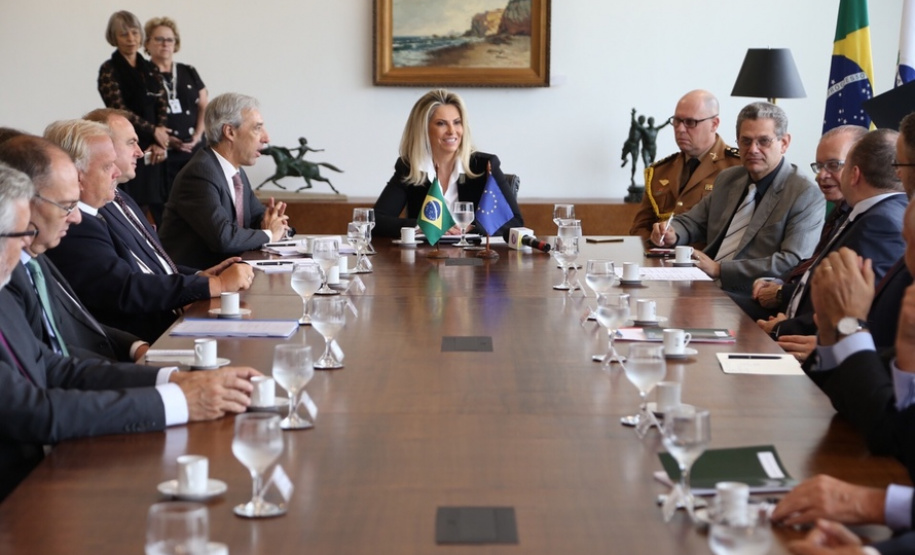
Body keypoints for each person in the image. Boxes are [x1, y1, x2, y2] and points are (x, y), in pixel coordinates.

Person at [0, 162, 259, 501]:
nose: (26, 252)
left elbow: (51, 366)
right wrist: (179, 401)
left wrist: (171, 381)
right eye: (22, 235)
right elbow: (32, 412)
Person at [43, 119, 253, 342]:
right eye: (107, 166)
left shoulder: (111, 204)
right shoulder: (75, 225)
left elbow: (149, 267)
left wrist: (200, 277)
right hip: (146, 339)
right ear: (76, 174)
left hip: (169, 321)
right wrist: (213, 285)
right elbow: (123, 288)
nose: (116, 172)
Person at [754, 129, 908, 359]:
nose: (823, 175)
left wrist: (784, 329)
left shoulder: (880, 221)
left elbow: (856, 307)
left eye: (837, 166)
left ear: (854, 174)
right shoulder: (867, 212)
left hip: (825, 352)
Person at [0, 135, 148, 362]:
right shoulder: (13, 266)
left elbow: (75, 322)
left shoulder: (35, 256)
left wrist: (136, 348)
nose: (77, 217)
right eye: (68, 206)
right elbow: (45, 369)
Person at [649, 101, 824, 293]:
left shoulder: (805, 194)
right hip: (703, 284)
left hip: (751, 295)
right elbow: (694, 222)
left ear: (784, 143)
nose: (753, 149)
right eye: (746, 141)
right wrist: (673, 233)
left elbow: (792, 261)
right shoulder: (729, 178)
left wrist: (720, 270)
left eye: (763, 141)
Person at [749, 125, 868, 321]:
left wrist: (781, 294)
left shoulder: (864, 219)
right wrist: (776, 281)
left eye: (834, 165)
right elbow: (812, 264)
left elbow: (842, 295)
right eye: (820, 166)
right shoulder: (840, 210)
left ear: (858, 167)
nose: (821, 175)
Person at [159, 93, 290, 268]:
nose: (266, 138)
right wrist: (269, 235)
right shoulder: (200, 173)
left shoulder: (236, 172)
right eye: (257, 128)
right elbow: (224, 238)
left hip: (229, 277)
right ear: (230, 132)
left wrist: (277, 224)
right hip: (195, 283)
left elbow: (258, 217)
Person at [373, 89, 524, 241]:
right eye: (441, 124)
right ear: (423, 129)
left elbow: (515, 222)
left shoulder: (484, 166)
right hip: (425, 259)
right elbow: (376, 221)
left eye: (457, 123)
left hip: (474, 260)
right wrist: (425, 225)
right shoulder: (409, 167)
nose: (452, 131)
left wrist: (473, 228)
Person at [629, 90, 741, 245]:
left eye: (690, 122)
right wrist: (656, 241)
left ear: (714, 124)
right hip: (661, 265)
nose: (680, 129)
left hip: (709, 264)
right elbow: (639, 228)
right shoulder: (660, 171)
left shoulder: (738, 168)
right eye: (676, 121)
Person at [97, 10, 170, 226]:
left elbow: (162, 103)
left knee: (160, 205)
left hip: (157, 149)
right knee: (136, 201)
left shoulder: (151, 67)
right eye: (123, 35)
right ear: (114, 38)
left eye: (134, 33)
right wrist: (153, 131)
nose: (131, 39)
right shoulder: (109, 70)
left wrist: (160, 138)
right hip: (129, 144)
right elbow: (119, 110)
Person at [144, 16, 208, 193]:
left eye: (170, 39)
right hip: (162, 154)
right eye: (159, 39)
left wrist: (197, 135)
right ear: (147, 43)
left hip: (194, 150)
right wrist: (164, 140)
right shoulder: (142, 74)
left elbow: (204, 104)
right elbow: (139, 113)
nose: (165, 43)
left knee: (197, 200)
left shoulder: (188, 71)